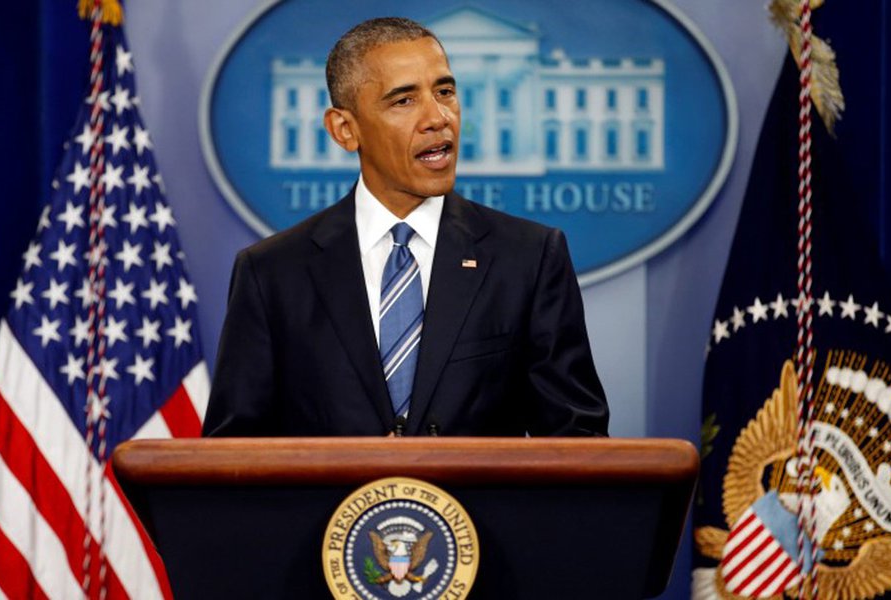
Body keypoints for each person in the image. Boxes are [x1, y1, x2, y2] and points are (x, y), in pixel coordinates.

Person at [202, 17, 608, 437]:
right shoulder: (272, 272)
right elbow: (235, 460)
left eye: (445, 92)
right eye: (403, 101)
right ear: (345, 129)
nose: (439, 117)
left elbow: (578, 445)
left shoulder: (529, 257)